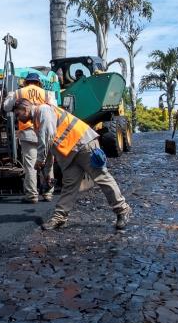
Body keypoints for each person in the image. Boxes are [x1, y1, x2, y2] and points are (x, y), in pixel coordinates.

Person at [9, 97, 133, 231]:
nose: (18, 118)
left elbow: (48, 137)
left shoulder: (43, 110)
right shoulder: (37, 121)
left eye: (18, 114)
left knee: (102, 177)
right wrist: (45, 170)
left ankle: (122, 210)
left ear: (25, 108)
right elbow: (49, 147)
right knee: (69, 186)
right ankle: (59, 218)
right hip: (69, 153)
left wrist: (40, 160)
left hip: (83, 144)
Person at [3, 72, 54, 203]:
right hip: (45, 132)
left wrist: (9, 95)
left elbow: (6, 107)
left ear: (26, 82)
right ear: (38, 83)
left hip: (28, 132)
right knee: (48, 163)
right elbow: (54, 111)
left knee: (31, 165)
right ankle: (48, 193)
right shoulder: (47, 94)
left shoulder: (18, 93)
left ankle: (32, 195)